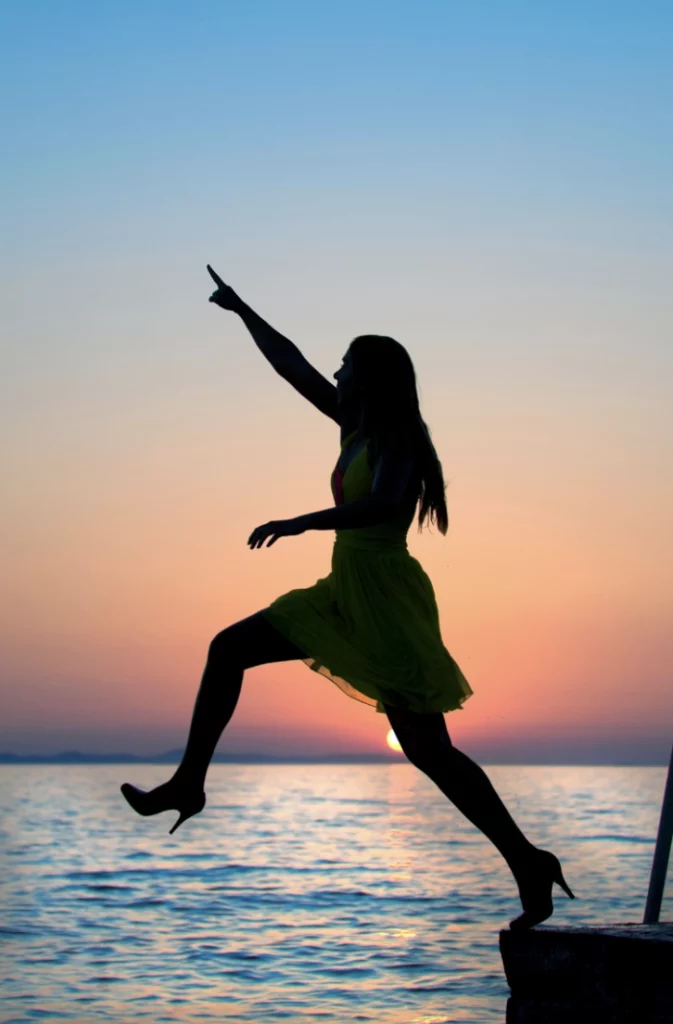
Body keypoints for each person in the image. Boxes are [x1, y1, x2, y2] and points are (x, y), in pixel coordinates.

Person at [121, 265, 575, 930]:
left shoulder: (402, 441)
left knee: (429, 751)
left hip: (385, 596)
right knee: (228, 649)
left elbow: (385, 503)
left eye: (345, 365)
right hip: (342, 589)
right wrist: (243, 310)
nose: (334, 373)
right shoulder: (354, 428)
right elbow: (292, 366)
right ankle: (189, 783)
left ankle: (525, 859)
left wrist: (302, 521)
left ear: (371, 377)